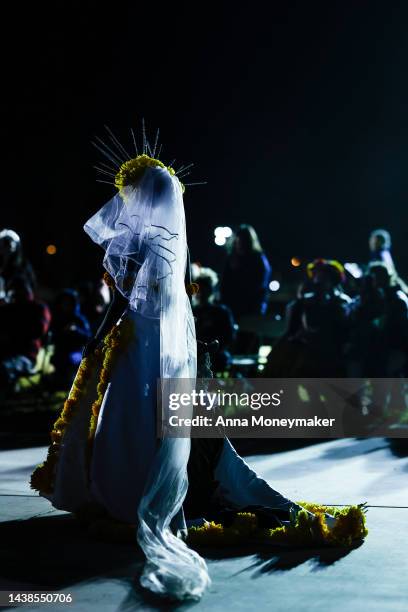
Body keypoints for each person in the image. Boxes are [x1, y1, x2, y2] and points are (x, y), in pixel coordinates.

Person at [30, 136, 349, 601]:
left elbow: (124, 297)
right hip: (147, 336)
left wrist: (101, 335)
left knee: (126, 414)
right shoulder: (167, 245)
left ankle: (123, 489)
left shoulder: (143, 246)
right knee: (132, 413)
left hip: (137, 337)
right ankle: (122, 484)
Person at [265, 259, 351, 377]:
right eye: (316, 278)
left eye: (322, 278)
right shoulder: (303, 302)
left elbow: (342, 331)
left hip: (329, 352)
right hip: (305, 349)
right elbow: (292, 330)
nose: (317, 281)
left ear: (332, 281)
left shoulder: (341, 303)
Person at [0, 277, 51, 393]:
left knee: (3, 368)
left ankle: (7, 392)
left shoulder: (38, 308)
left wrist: (11, 334)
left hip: (25, 354)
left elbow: (38, 331)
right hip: (5, 351)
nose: (14, 294)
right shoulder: (7, 309)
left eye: (18, 291)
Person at [220, 224, 271, 318]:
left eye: (243, 242)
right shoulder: (231, 258)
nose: (240, 245)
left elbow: (260, 285)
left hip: (251, 307)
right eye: (238, 242)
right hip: (232, 305)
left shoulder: (258, 259)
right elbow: (224, 283)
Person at [193, 267, 236, 372]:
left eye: (205, 288)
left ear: (211, 289)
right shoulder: (192, 311)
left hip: (215, 354)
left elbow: (228, 337)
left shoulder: (221, 311)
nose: (201, 292)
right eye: (200, 288)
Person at [51, 289, 92, 387]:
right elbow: (54, 336)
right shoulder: (60, 318)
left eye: (68, 302)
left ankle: (68, 380)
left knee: (68, 359)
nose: (65, 304)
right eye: (64, 302)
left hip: (76, 352)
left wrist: (76, 330)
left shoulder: (79, 319)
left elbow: (88, 337)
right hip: (61, 351)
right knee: (58, 358)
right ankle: (59, 380)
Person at [0, 229, 36, 302]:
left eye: (9, 243)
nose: (7, 247)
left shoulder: (23, 265)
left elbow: (30, 287)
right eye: (4, 243)